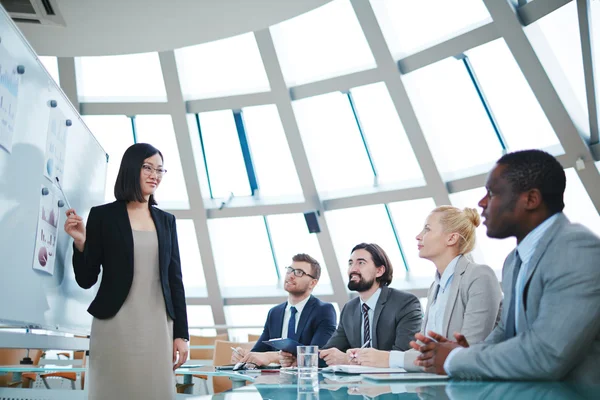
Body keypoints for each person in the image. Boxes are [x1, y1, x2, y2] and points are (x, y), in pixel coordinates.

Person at [412, 149, 600, 382]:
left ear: (530, 200)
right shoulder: (513, 261)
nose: (481, 203)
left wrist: (454, 359)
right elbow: (505, 333)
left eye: (492, 193)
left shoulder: (577, 249)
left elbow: (547, 354)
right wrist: (465, 352)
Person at [64, 143, 189, 399]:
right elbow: (87, 279)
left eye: (160, 170)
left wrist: (182, 335)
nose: (155, 175)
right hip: (114, 326)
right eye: (147, 167)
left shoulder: (167, 221)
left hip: (158, 327)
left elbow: (175, 281)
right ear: (131, 168)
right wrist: (80, 243)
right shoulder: (103, 216)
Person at [349, 207, 502, 369]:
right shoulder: (435, 287)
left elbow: (468, 351)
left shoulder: (479, 276)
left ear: (451, 238)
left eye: (427, 229)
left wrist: (388, 359)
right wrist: (376, 358)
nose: (418, 236)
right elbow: (423, 350)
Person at [320, 243, 422, 366]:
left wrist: (350, 359)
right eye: (350, 263)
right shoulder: (349, 309)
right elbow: (330, 352)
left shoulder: (405, 303)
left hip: (392, 383)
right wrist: (300, 359)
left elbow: (402, 356)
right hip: (358, 384)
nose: (353, 269)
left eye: (361, 263)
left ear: (379, 271)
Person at [231, 253, 336, 367]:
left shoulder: (324, 310)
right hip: (274, 380)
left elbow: (317, 355)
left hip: (307, 380)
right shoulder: (275, 313)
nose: (291, 275)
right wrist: (244, 355)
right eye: (290, 270)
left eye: (299, 272)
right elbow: (260, 352)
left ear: (313, 283)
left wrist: (272, 357)